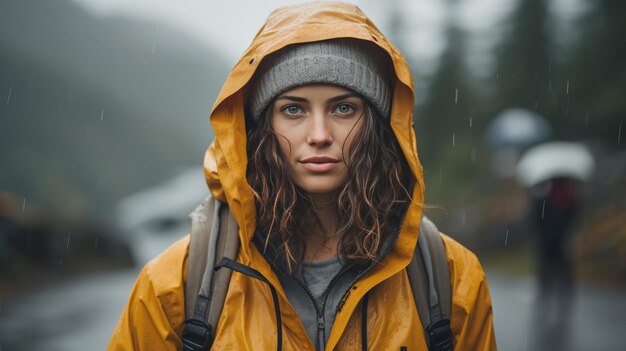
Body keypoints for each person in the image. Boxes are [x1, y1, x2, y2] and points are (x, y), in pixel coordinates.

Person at [108, 2, 496, 350]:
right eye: (293, 110)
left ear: (376, 124)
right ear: (262, 126)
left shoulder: (449, 278)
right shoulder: (175, 286)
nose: (319, 135)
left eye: (343, 108)